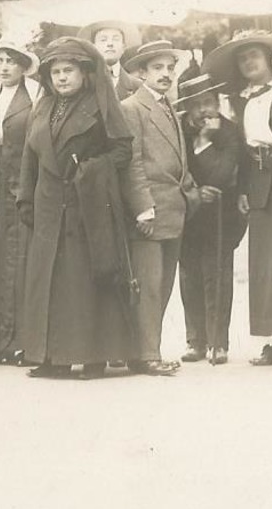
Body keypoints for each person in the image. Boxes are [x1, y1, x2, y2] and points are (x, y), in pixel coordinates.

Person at [18, 37, 137, 379]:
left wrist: (89, 170)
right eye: (55, 72)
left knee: (84, 282)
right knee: (49, 283)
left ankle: (94, 357)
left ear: (84, 73)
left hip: (88, 206)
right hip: (48, 206)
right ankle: (52, 357)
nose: (61, 78)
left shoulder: (100, 105)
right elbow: (31, 157)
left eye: (68, 70)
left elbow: (122, 150)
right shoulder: (42, 108)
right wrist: (25, 198)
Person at [205, 30, 272, 368]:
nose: (249, 62)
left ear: (268, 59)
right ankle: (269, 340)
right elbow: (244, 150)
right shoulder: (242, 100)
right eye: (242, 58)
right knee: (262, 265)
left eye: (254, 55)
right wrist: (244, 189)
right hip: (258, 185)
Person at [120, 40, 200, 376]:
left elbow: (177, 159)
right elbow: (133, 162)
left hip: (173, 208)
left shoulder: (168, 105)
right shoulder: (132, 108)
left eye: (170, 68)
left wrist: (191, 190)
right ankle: (146, 353)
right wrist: (142, 207)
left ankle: (148, 350)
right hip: (150, 210)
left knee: (163, 284)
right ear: (141, 73)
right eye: (158, 68)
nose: (166, 74)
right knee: (149, 285)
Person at [0, 41, 41, 365]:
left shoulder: (36, 96)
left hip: (27, 188)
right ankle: (2, 339)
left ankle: (27, 342)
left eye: (11, 61)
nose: (4, 67)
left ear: (23, 66)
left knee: (25, 264)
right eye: (0, 61)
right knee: (0, 264)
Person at [173, 73, 244, 366]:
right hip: (189, 210)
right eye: (196, 104)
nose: (204, 110)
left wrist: (205, 142)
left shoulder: (228, 131)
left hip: (220, 214)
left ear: (217, 103)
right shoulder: (178, 131)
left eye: (208, 103)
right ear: (186, 108)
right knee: (189, 275)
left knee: (217, 274)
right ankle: (195, 340)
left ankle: (218, 342)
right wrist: (194, 192)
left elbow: (222, 174)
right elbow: (176, 167)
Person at [77, 20, 140, 99]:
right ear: (93, 47)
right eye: (103, 40)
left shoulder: (137, 86)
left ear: (123, 47)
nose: (110, 44)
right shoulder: (82, 83)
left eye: (115, 39)